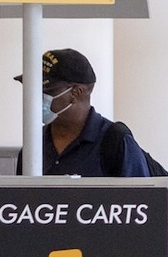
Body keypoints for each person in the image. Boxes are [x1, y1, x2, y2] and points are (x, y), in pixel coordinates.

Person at [35, 48, 154, 179]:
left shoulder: (114, 142)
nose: (36, 98)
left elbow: (141, 197)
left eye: (46, 91)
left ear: (76, 92)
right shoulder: (35, 143)